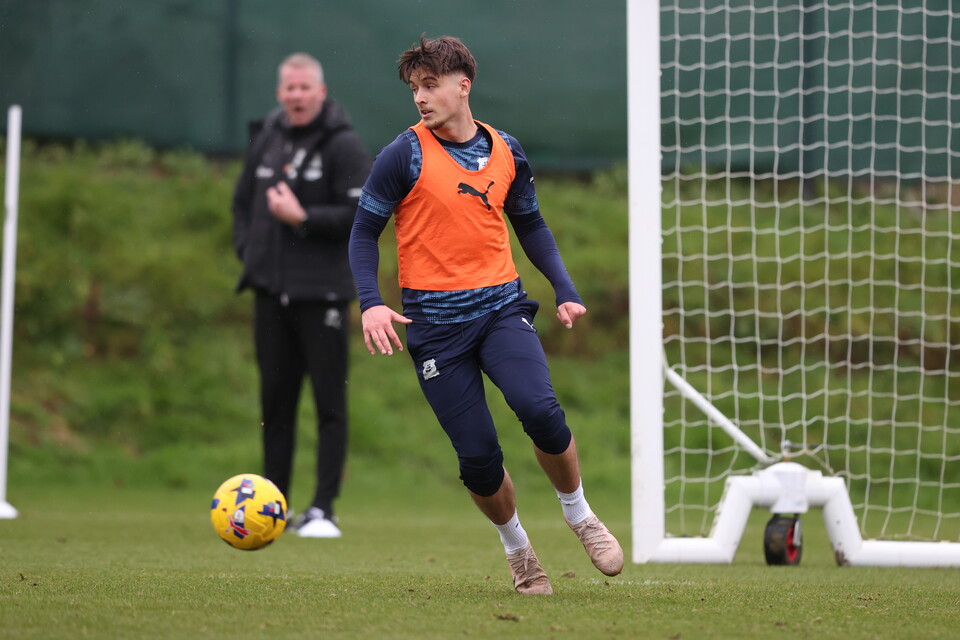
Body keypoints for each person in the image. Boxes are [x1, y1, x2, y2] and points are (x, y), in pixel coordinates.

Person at [348, 35, 623, 594]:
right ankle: (519, 552)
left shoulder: (506, 151)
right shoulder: (402, 154)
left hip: (500, 310)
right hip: (435, 331)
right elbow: (362, 233)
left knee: (540, 410)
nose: (421, 99)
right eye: (414, 89)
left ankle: (580, 515)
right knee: (477, 456)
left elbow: (532, 225)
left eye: (430, 86)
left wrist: (564, 288)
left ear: (462, 85)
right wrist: (372, 303)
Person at [232, 52, 371, 538]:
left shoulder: (344, 145)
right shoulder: (268, 138)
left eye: (303, 87)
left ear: (320, 91)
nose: (295, 95)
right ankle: (276, 505)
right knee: (276, 404)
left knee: (329, 404)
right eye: (288, 88)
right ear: (279, 94)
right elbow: (244, 204)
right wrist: (250, 254)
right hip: (270, 293)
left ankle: (324, 509)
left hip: (323, 296)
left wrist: (304, 220)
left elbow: (361, 217)